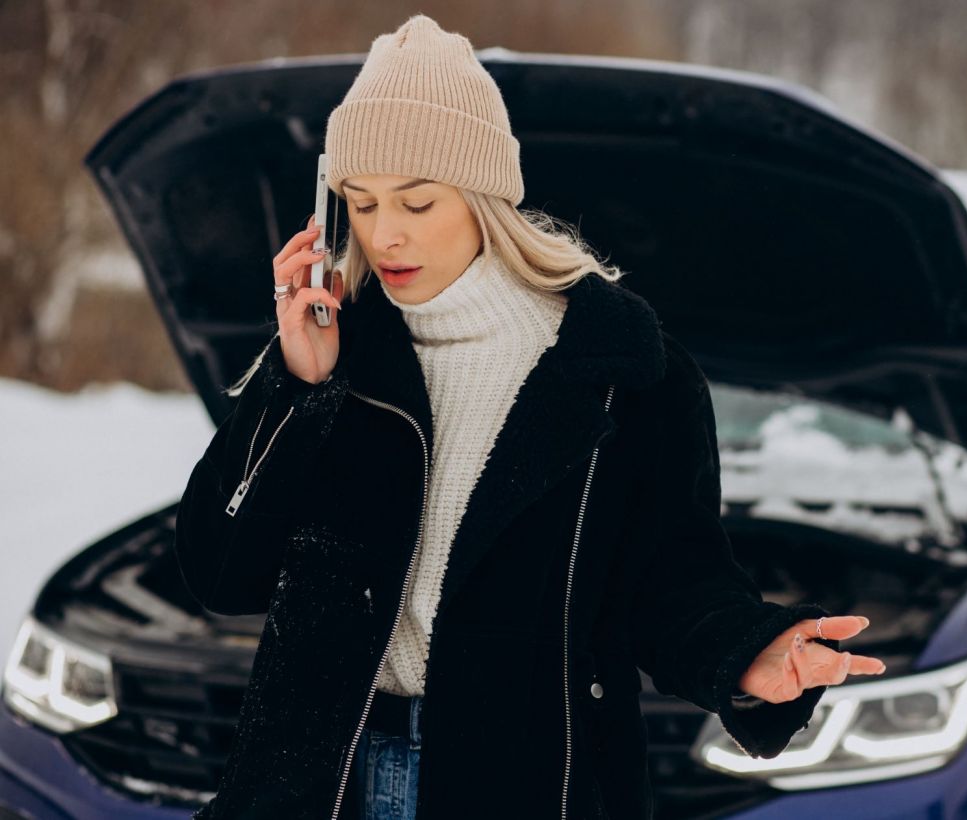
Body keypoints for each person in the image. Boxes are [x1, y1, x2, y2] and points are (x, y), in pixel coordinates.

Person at [173, 13, 885, 820]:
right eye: (361, 203)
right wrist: (298, 391)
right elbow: (220, 571)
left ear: (483, 197)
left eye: (417, 201)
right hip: (313, 785)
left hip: (518, 786)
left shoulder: (621, 371)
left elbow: (671, 582)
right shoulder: (335, 350)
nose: (386, 232)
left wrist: (745, 655)